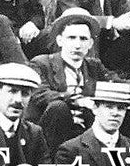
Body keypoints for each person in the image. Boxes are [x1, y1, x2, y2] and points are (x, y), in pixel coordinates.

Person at [25, 8, 110, 151]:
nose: (77, 45)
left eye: (83, 39)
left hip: (84, 132)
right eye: (71, 38)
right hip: (49, 133)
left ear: (90, 44)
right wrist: (76, 99)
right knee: (58, 107)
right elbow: (40, 94)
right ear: (60, 40)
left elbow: (116, 82)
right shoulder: (41, 63)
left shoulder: (94, 66)